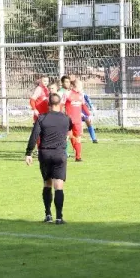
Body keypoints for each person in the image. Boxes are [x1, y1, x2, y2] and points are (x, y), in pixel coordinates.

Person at [25, 93, 73, 225]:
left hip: (45, 153)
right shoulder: (66, 119)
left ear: (48, 105)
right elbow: (69, 130)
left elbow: (34, 136)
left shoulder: (41, 118)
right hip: (59, 154)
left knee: (47, 183)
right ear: (60, 104)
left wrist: (28, 153)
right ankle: (59, 217)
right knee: (59, 186)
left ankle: (48, 214)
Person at [62, 79, 91, 162]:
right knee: (66, 137)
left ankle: (78, 157)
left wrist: (89, 115)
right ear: (75, 86)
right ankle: (61, 155)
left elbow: (83, 105)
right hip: (68, 120)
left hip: (77, 120)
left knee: (78, 138)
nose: (82, 87)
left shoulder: (81, 95)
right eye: (80, 86)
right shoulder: (67, 94)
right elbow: (61, 105)